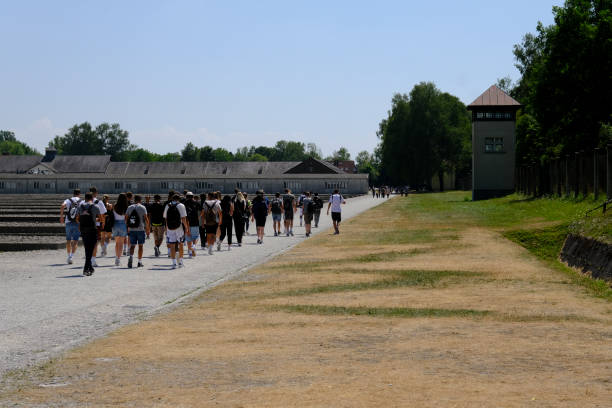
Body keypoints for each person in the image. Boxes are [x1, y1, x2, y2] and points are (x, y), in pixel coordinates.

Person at [76, 192, 101, 276]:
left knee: (87, 248)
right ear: (92, 198)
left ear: (85, 198)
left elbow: (77, 219)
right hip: (92, 229)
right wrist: (94, 219)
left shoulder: (80, 206)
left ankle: (90, 267)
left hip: (83, 229)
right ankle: (86, 268)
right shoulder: (95, 206)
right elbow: (100, 219)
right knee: (91, 248)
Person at [163, 193, 189, 268]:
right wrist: (186, 228)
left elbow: (166, 218)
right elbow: (183, 218)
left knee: (172, 245)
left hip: (170, 228)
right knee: (181, 244)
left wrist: (166, 228)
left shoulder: (167, 205)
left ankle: (174, 263)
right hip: (179, 227)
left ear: (172, 199)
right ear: (179, 199)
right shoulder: (181, 205)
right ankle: (180, 262)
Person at [126, 195, 149, 268]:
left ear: (134, 199)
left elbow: (126, 218)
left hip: (132, 229)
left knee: (132, 245)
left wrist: (128, 226)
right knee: (140, 246)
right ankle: (139, 262)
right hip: (140, 229)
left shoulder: (130, 207)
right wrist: (147, 228)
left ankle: (131, 257)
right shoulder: (142, 207)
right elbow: (146, 218)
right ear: (140, 200)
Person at [60, 189, 81, 264]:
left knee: (68, 240)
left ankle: (68, 255)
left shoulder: (68, 200)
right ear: (79, 194)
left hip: (68, 221)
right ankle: (71, 257)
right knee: (75, 240)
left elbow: (62, 206)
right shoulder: (81, 201)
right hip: (77, 222)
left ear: (73, 194)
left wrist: (61, 217)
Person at [89, 186, 107, 266]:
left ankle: (88, 259)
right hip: (96, 225)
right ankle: (93, 260)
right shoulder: (99, 202)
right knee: (95, 243)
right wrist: (103, 223)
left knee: (88, 243)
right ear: (96, 193)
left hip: (86, 224)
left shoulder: (83, 202)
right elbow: (103, 214)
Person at [112, 193, 129, 266]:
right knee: (121, 243)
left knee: (116, 243)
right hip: (122, 224)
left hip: (115, 224)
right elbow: (126, 218)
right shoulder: (126, 206)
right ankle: (118, 259)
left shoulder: (115, 205)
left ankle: (116, 257)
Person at [184, 192, 201, 258]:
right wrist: (199, 217)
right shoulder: (196, 203)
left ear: (186, 196)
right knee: (196, 236)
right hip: (195, 222)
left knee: (188, 238)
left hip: (186, 222)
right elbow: (202, 210)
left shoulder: (184, 203)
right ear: (192, 196)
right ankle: (193, 246)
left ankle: (190, 253)